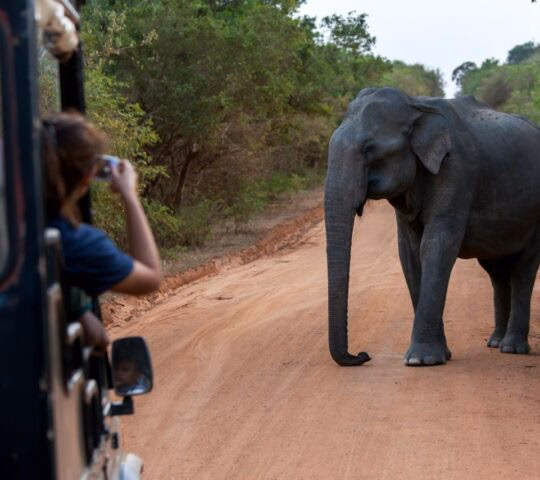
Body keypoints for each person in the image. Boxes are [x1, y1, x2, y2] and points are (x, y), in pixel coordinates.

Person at [42, 111, 161, 347]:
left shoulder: (15, 227)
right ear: (87, 178)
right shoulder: (76, 242)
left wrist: (80, 309)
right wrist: (129, 196)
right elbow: (150, 277)